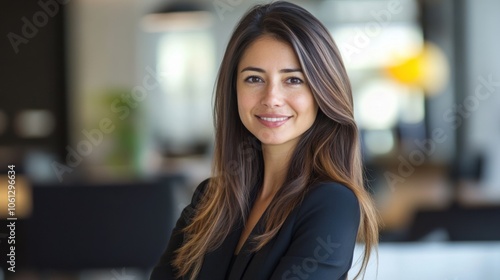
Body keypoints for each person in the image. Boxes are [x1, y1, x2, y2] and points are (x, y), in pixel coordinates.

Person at [150, 1, 379, 279]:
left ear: (322, 91)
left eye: (293, 80)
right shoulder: (208, 200)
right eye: (254, 79)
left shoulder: (331, 204)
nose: (271, 98)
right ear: (233, 89)